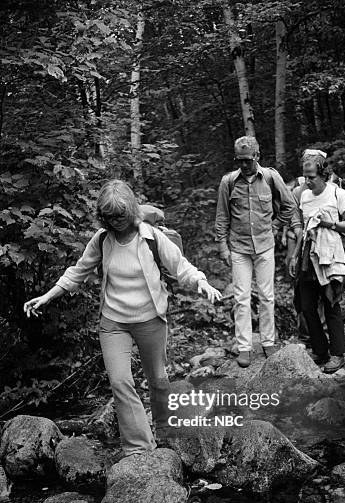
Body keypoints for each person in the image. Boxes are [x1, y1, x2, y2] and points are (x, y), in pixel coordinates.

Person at [24, 179, 222, 456]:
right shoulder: (102, 240)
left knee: (158, 380)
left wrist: (202, 283)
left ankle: (166, 432)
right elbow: (78, 271)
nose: (115, 221)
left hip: (150, 318)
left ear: (131, 210)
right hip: (114, 321)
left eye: (120, 215)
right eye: (108, 216)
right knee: (119, 382)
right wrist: (47, 295)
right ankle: (139, 448)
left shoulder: (151, 237)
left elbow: (180, 266)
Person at [215, 136, 300, 367]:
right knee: (241, 298)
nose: (243, 165)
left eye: (247, 160)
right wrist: (222, 246)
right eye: (239, 160)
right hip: (239, 247)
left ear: (257, 156)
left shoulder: (271, 177)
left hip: (265, 245)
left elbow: (290, 205)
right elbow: (222, 216)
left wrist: (274, 225)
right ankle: (244, 347)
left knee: (267, 296)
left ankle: (268, 341)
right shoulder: (228, 182)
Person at [289, 149, 345, 374]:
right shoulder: (304, 196)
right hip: (309, 256)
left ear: (323, 174)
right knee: (307, 306)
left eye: (311, 177)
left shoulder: (337, 193)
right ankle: (320, 350)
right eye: (305, 176)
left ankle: (338, 354)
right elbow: (303, 228)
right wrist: (295, 255)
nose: (307, 181)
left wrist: (330, 224)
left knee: (330, 303)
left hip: (330, 255)